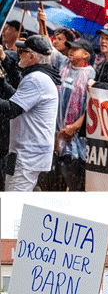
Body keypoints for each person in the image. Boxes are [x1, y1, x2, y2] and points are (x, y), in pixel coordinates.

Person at [0, 35, 59, 192]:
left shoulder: (36, 79)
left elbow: (11, 109)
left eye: (23, 51)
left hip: (28, 154)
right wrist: (2, 83)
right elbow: (19, 100)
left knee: (13, 203)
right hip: (24, 151)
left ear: (32, 56)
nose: (20, 54)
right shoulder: (37, 76)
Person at [52, 37, 94, 192]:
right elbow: (48, 50)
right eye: (70, 48)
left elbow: (91, 107)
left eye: (75, 49)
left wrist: (75, 127)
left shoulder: (90, 74)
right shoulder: (63, 65)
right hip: (56, 135)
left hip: (74, 139)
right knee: (54, 186)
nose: (70, 51)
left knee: (75, 184)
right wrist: (42, 23)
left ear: (85, 54)